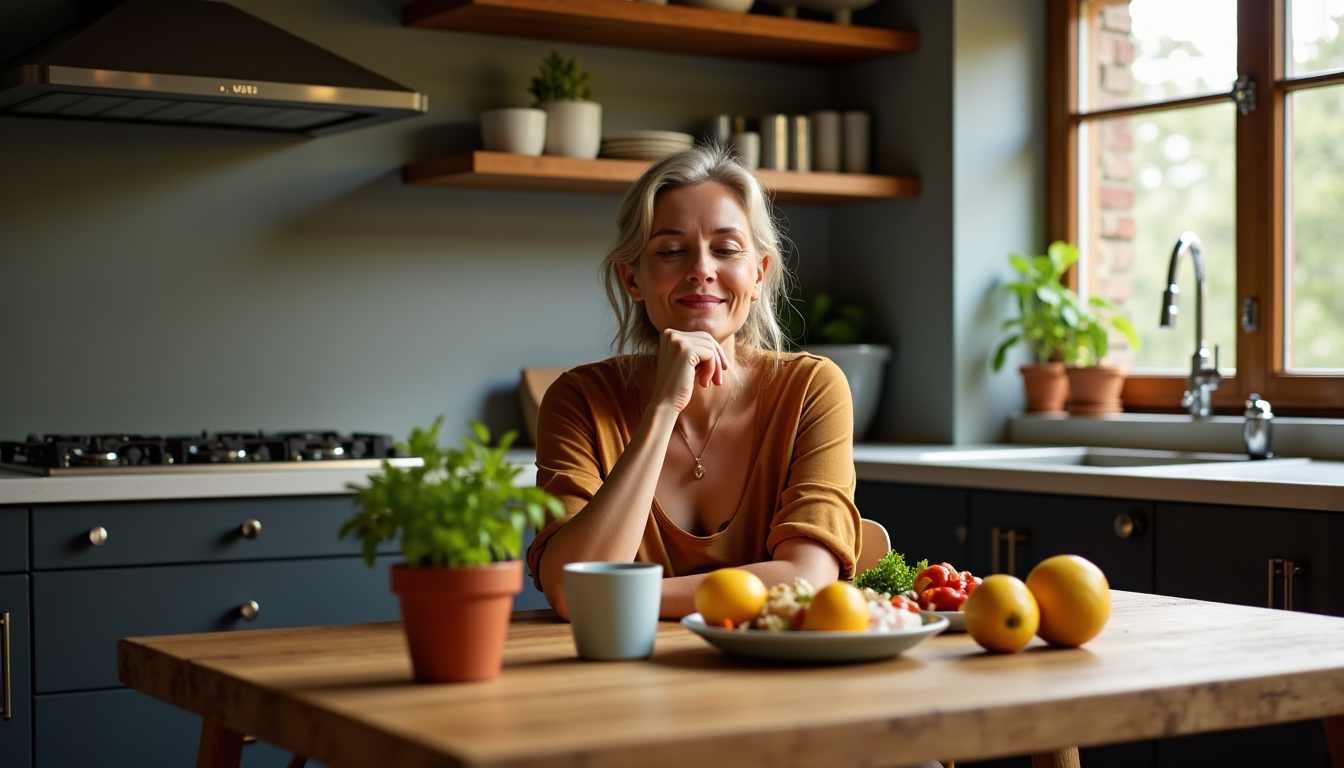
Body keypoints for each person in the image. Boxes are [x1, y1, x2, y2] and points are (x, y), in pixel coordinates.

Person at [526, 144, 861, 621]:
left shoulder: (812, 388)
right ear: (633, 279)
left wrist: (615, 597)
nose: (702, 269)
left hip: (764, 667)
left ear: (758, 275)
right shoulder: (578, 400)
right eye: (671, 251)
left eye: (726, 249)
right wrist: (662, 410)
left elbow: (806, 578)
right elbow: (568, 586)